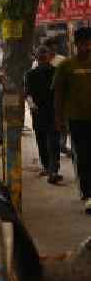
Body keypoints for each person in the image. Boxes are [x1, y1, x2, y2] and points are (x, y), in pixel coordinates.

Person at [54, 26, 91, 214]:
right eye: (83, 44)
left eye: (89, 44)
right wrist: (58, 119)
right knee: (83, 156)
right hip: (77, 120)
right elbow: (58, 94)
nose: (87, 47)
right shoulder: (66, 66)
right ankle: (87, 193)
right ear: (76, 45)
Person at [24, 45, 62, 183]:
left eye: (44, 54)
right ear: (37, 58)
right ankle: (48, 167)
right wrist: (31, 104)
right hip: (38, 113)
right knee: (41, 142)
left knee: (53, 142)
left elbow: (61, 91)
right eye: (40, 55)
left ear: (49, 56)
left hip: (54, 112)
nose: (42, 57)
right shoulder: (30, 74)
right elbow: (27, 93)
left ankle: (53, 170)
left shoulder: (56, 71)